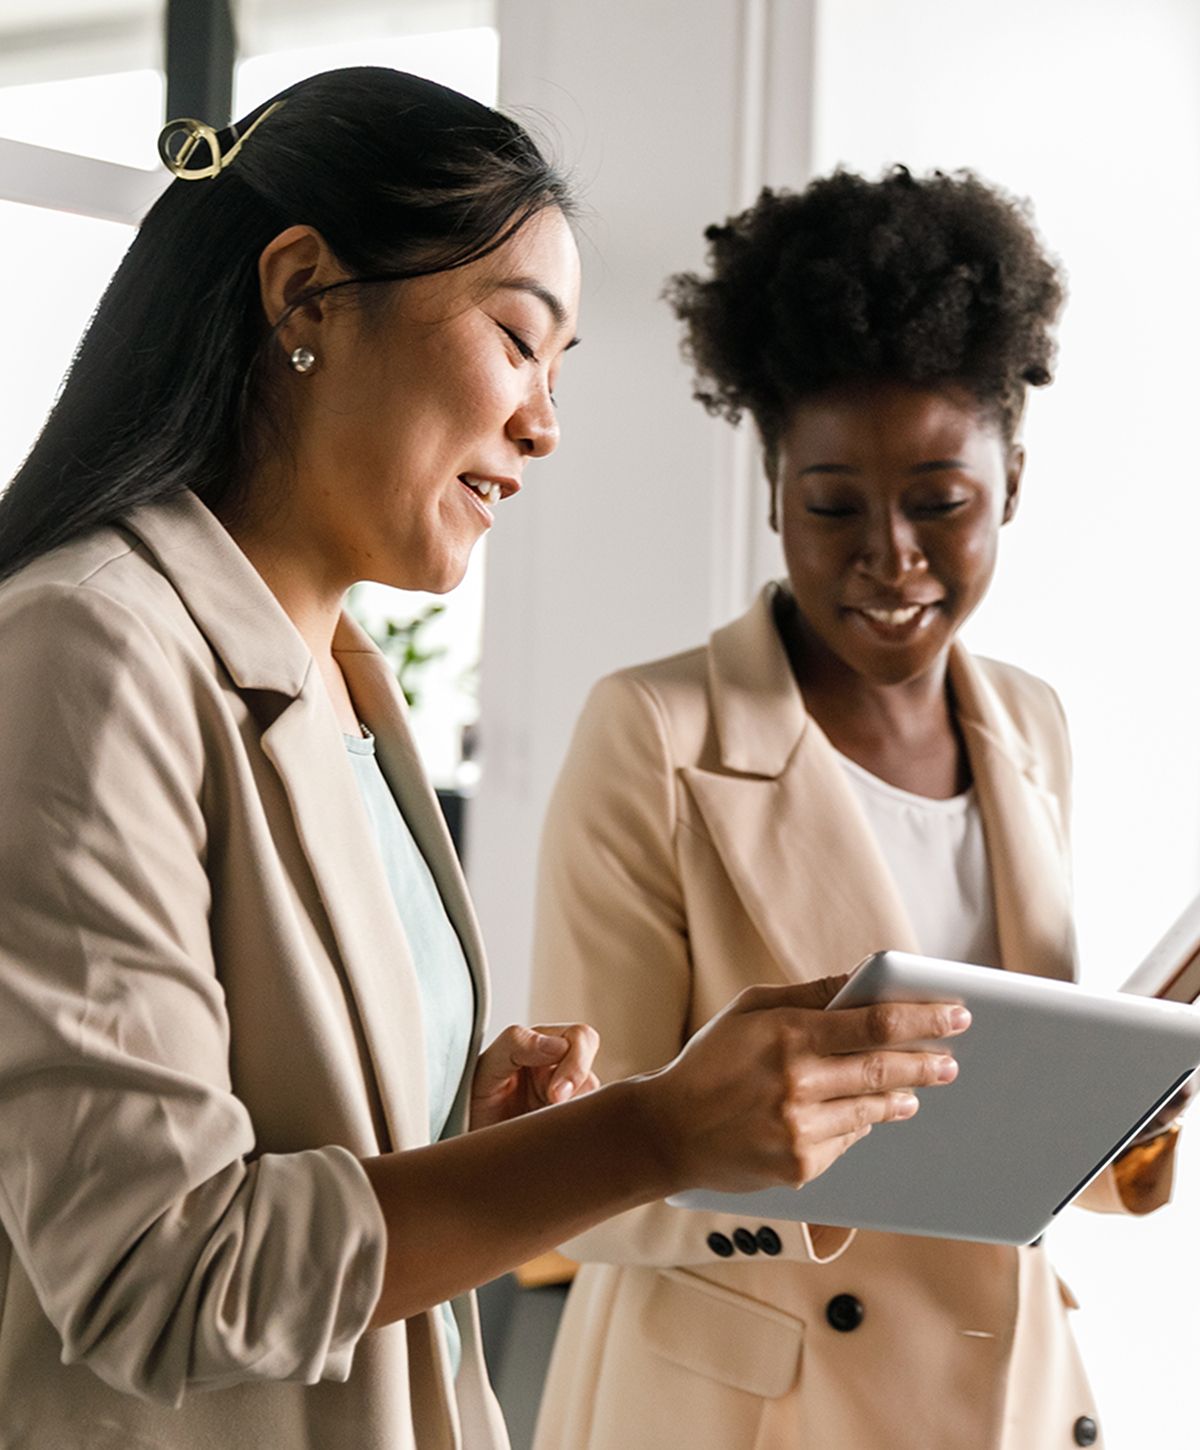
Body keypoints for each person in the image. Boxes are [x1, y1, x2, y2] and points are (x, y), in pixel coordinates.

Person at [0, 74, 969, 1450]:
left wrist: (475, 1120)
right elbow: (160, 1271)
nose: (546, 424)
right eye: (520, 340)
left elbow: (290, 1130)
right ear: (303, 298)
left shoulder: (343, 685)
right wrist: (641, 1136)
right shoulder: (88, 648)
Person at [530, 167, 1183, 1450]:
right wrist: (798, 1168)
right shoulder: (653, 735)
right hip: (756, 1414)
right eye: (834, 506)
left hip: (1010, 1394)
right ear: (775, 490)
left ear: (1014, 484)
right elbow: (571, 1180)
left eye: (941, 502)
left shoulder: (1031, 726)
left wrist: (1130, 1119)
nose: (890, 555)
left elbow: (1006, 1134)